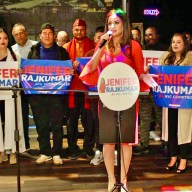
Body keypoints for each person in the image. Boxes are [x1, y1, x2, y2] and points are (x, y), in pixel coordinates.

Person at [79, 8, 157, 191]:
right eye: (110, 23)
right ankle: (111, 179)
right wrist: (100, 45)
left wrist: (145, 77)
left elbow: (139, 71)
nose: (113, 26)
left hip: (128, 99)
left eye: (117, 23)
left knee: (126, 141)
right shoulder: (103, 44)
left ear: (124, 25)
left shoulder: (133, 46)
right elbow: (92, 66)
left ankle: (123, 180)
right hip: (107, 99)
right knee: (108, 140)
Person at [25, 23, 70, 165]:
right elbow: (28, 72)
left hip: (57, 96)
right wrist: (22, 72)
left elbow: (68, 72)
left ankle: (57, 152)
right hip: (38, 97)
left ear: (54, 36)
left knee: (57, 125)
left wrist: (70, 71)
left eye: (50, 33)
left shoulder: (62, 52)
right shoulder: (33, 51)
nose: (47, 35)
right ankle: (45, 152)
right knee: (42, 125)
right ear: (39, 35)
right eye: (44, 33)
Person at [160, 32, 192, 173]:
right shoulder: (166, 59)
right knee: (171, 129)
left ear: (185, 44)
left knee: (184, 130)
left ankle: (183, 159)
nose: (175, 44)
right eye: (173, 42)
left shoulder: (190, 58)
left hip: (185, 100)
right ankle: (173, 157)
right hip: (170, 98)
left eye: (178, 42)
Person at [63, 19, 95, 160]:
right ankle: (72, 149)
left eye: (82, 29)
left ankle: (88, 148)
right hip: (72, 90)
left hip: (88, 89)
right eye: (77, 29)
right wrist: (70, 68)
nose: (79, 32)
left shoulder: (95, 47)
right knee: (72, 121)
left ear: (86, 30)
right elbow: (61, 69)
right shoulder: (65, 47)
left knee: (89, 121)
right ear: (72, 30)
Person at [133, 26, 167, 155]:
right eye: (147, 35)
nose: (149, 37)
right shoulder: (140, 50)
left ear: (158, 36)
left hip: (160, 89)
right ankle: (144, 144)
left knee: (161, 118)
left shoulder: (165, 50)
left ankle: (165, 144)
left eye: (152, 35)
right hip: (145, 89)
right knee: (145, 118)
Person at [0, 27, 25, 164]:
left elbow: (23, 76)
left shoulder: (16, 56)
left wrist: (20, 72)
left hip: (11, 95)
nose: (2, 41)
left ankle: (13, 151)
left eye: (5, 38)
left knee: (12, 122)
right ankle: (1, 151)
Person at [12, 23, 37, 156]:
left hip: (36, 87)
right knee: (22, 118)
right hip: (20, 87)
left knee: (39, 117)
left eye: (21, 32)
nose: (19, 36)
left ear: (26, 32)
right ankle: (25, 145)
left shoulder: (36, 45)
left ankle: (44, 147)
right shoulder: (11, 49)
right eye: (16, 34)